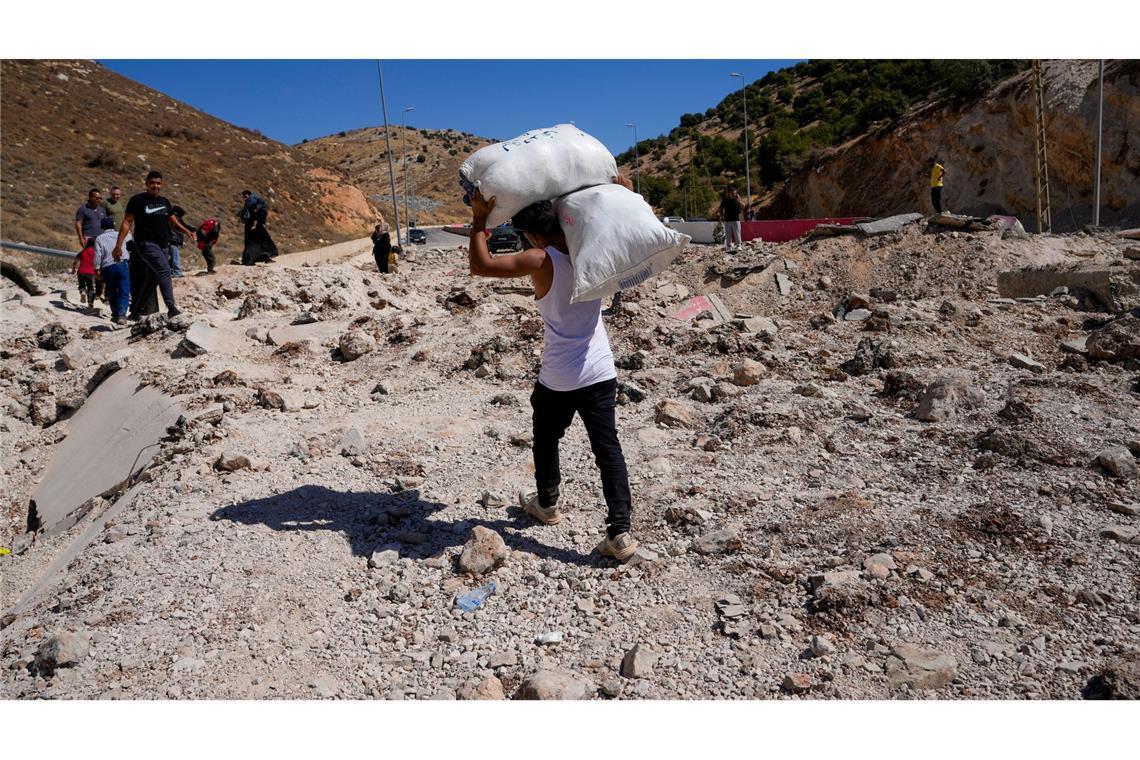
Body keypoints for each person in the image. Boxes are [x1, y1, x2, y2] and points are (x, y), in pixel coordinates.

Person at [466, 176, 640, 563]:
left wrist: (479, 221)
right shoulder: (592, 250)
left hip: (560, 375)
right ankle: (620, 533)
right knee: (608, 449)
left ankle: (546, 503)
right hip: (599, 370)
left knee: (546, 437)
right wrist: (626, 194)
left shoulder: (542, 259)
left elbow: (481, 266)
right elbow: (628, 228)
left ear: (531, 234)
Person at [112, 170, 195, 319]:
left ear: (161, 184)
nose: (155, 186)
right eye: (152, 183)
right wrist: (118, 246)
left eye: (158, 183)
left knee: (154, 277)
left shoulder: (164, 202)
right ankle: (172, 308)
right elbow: (127, 222)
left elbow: (173, 221)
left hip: (164, 244)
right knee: (164, 270)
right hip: (146, 243)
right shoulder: (137, 200)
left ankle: (136, 311)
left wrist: (186, 230)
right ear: (146, 184)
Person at [93, 216, 131, 324]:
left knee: (112, 291)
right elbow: (130, 236)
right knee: (124, 290)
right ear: (113, 225)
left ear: (102, 227)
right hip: (122, 264)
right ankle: (122, 315)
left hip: (108, 267)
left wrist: (97, 271)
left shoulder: (99, 239)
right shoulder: (121, 234)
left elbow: (97, 257)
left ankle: (115, 315)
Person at [240, 190, 278, 265]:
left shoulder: (251, 201)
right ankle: (266, 257)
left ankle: (250, 260)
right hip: (258, 225)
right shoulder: (256, 201)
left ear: (248, 194)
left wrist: (254, 223)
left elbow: (254, 214)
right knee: (264, 241)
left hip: (253, 226)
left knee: (252, 243)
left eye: (245, 196)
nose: (244, 198)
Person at [70, 236, 97, 308]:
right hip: (91, 272)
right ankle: (90, 303)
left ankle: (82, 291)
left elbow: (75, 261)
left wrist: (73, 269)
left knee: (81, 285)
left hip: (81, 271)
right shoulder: (95, 252)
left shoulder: (83, 251)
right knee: (90, 288)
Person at [718, 187, 743, 252]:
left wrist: (739, 200)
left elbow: (743, 206)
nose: (734, 194)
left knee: (737, 234)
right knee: (728, 234)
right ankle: (728, 247)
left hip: (736, 219)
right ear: (729, 193)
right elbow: (720, 208)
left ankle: (739, 246)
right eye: (732, 193)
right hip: (727, 220)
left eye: (735, 193)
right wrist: (721, 216)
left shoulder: (737, 200)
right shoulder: (725, 200)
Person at [168, 205, 189, 277]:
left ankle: (171, 272)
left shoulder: (175, 220)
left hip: (173, 241)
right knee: (175, 256)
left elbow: (185, 226)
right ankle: (177, 272)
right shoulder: (170, 220)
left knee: (172, 257)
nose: (179, 218)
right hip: (172, 241)